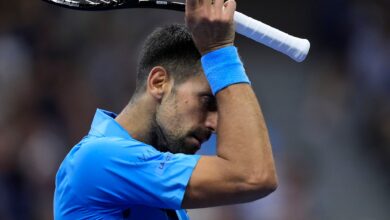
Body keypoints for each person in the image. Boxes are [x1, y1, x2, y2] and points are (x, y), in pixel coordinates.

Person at [53, 0, 278, 219]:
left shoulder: (167, 199)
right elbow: (254, 176)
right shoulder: (98, 159)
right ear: (159, 83)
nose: (215, 125)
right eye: (207, 102)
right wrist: (218, 50)